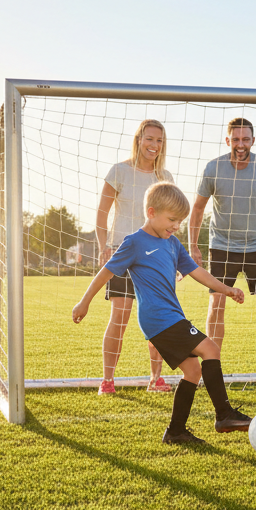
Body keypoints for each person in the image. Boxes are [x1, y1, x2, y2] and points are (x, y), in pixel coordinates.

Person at [73, 182, 254, 445]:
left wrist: (226, 289)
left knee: (192, 370)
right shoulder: (134, 242)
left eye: (180, 221)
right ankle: (224, 414)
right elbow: (107, 272)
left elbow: (197, 272)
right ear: (151, 212)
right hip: (158, 318)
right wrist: (84, 302)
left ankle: (176, 432)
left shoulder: (172, 243)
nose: (176, 226)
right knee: (211, 349)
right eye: (172, 219)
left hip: (172, 316)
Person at [187, 117, 256, 383]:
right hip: (222, 246)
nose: (240, 144)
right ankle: (213, 368)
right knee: (217, 303)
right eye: (236, 139)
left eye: (245, 139)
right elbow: (197, 208)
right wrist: (193, 245)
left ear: (253, 141)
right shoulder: (213, 168)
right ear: (227, 141)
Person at [94, 119, 173, 395]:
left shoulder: (164, 178)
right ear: (139, 139)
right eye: (149, 139)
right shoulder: (119, 171)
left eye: (159, 141)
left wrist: (171, 256)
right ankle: (107, 380)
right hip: (123, 253)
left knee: (160, 318)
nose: (154, 145)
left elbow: (170, 221)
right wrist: (105, 246)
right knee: (120, 317)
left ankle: (156, 379)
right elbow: (102, 215)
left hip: (155, 257)